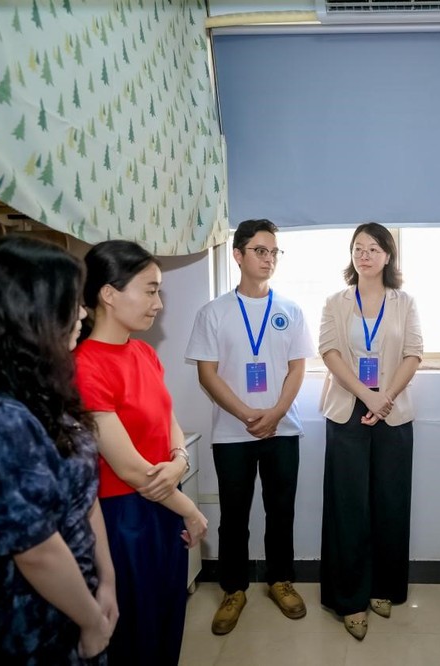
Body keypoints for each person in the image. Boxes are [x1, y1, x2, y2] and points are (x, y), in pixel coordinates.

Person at [0, 235, 116, 663]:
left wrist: (107, 581)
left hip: (80, 601)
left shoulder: (40, 389)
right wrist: (91, 621)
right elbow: (37, 551)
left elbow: (84, 498)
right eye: (72, 303)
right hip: (28, 625)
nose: (82, 314)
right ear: (30, 311)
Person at [75, 240, 208, 665]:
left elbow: (168, 418)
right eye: (150, 291)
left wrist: (180, 459)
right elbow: (131, 470)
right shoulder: (85, 365)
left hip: (163, 505)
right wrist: (190, 509)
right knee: (137, 633)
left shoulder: (144, 352)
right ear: (109, 294)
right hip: (124, 517)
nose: (158, 304)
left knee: (168, 620)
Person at [185, 219, 314, 635]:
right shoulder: (213, 312)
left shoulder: (290, 310)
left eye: (274, 251)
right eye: (260, 250)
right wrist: (245, 414)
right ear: (238, 255)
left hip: (282, 431)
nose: (269, 258)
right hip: (231, 433)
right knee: (234, 515)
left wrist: (275, 413)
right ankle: (233, 589)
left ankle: (281, 581)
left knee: (281, 511)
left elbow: (297, 369)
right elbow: (207, 374)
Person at [318, 222, 423, 640]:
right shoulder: (336, 302)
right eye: (358, 248)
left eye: (374, 249)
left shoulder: (404, 302)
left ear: (388, 256)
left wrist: (385, 398)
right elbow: (329, 351)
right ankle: (349, 599)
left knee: (390, 503)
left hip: (392, 412)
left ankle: (384, 587)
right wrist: (367, 395)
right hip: (347, 409)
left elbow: (414, 353)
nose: (365, 255)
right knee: (348, 506)